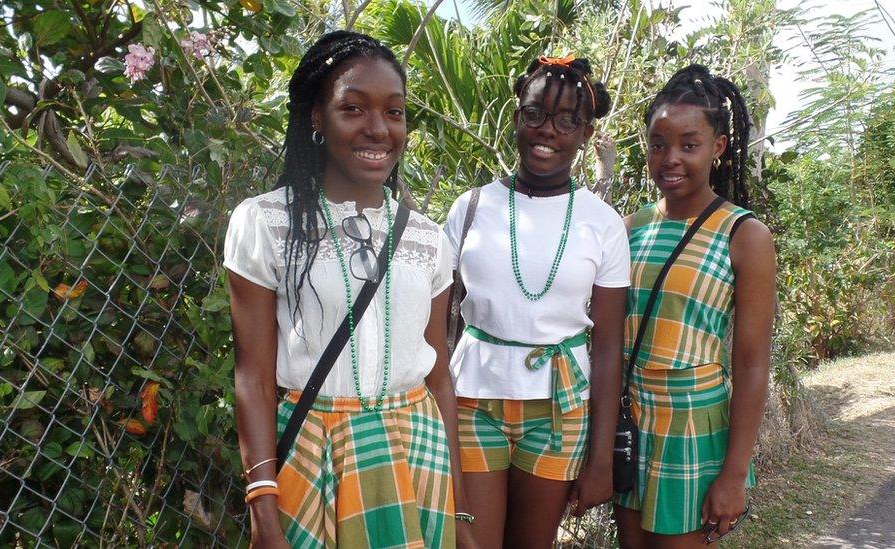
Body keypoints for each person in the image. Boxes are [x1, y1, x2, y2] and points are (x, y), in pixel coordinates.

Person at [224, 30, 475, 548]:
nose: (378, 129)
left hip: (416, 449)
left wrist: (460, 510)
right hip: (314, 453)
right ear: (317, 118)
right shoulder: (265, 223)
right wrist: (262, 503)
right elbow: (253, 377)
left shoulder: (427, 241)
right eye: (354, 109)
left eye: (395, 112)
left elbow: (440, 379)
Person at [445, 54, 629, 548]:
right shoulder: (471, 208)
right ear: (517, 117)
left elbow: (609, 347)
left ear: (587, 132)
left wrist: (601, 460)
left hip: (560, 410)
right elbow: (435, 326)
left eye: (567, 120)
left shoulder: (603, 223)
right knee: (471, 543)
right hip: (472, 402)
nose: (547, 131)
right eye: (534, 114)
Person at [612, 64, 776, 548]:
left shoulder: (744, 235)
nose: (671, 158)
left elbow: (749, 363)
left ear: (718, 148)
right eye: (658, 144)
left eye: (689, 144)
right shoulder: (627, 229)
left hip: (692, 428)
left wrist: (733, 475)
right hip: (632, 424)